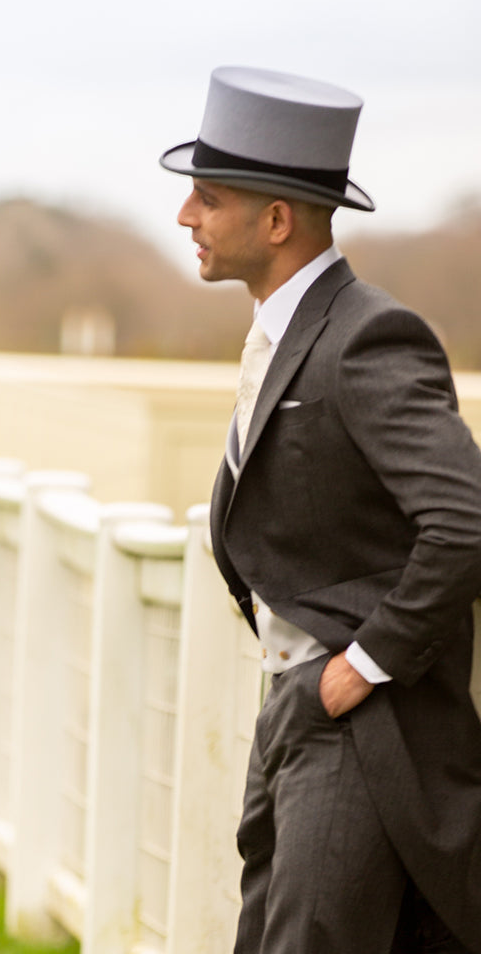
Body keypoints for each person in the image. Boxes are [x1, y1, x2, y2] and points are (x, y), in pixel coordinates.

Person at [160, 66, 481, 953]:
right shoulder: (280, 330)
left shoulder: (368, 334)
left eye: (208, 198)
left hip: (364, 728)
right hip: (295, 709)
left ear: (276, 220)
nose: (186, 216)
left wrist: (363, 664)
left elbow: (465, 521)